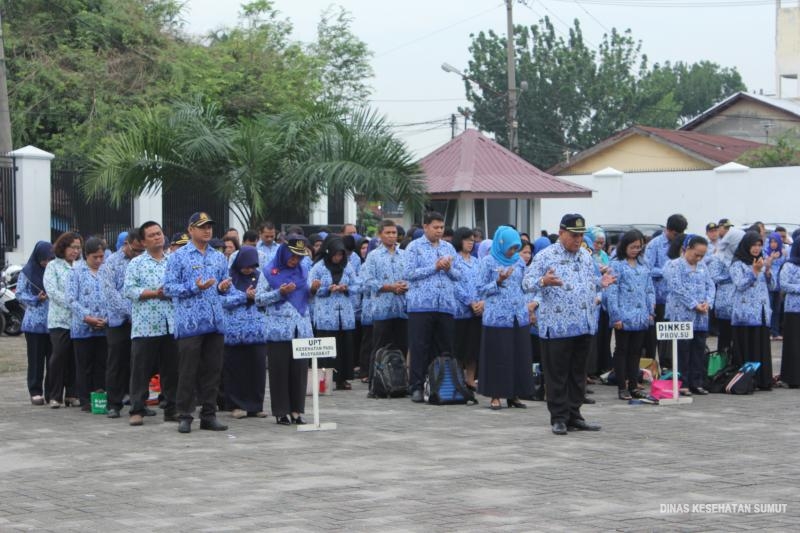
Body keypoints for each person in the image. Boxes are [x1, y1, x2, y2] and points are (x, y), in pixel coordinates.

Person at [524, 214, 615, 435]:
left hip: (583, 324)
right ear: (561, 232)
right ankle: (559, 417)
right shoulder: (546, 256)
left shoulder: (585, 255)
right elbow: (526, 283)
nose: (578, 239)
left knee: (578, 373)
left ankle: (575, 414)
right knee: (557, 374)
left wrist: (600, 283)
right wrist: (543, 281)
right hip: (557, 326)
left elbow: (587, 282)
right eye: (574, 235)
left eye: (581, 235)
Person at [163, 212, 231, 433]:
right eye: (202, 227)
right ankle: (185, 415)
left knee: (213, 371)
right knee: (187, 371)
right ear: (190, 230)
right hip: (190, 323)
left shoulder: (219, 257)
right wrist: (195, 287)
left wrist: (222, 287)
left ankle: (209, 415)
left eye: (209, 226)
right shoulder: (178, 257)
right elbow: (168, 288)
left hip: (215, 322)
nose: (207, 230)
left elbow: (223, 286)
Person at [123, 221, 178, 425]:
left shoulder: (173, 261)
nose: (157, 237)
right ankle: (137, 409)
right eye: (152, 235)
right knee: (141, 370)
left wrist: (171, 292)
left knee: (171, 370)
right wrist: (155, 293)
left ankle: (172, 408)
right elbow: (129, 290)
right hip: (145, 326)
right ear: (143, 242)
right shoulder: (136, 263)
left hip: (171, 323)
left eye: (159, 233)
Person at [255, 235, 313, 425]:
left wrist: (314, 291)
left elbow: (306, 297)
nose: (295, 260)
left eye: (299, 257)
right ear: (284, 252)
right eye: (292, 256)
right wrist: (280, 293)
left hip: (300, 327)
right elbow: (258, 299)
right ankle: (281, 411)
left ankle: (297, 411)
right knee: (279, 371)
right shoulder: (269, 271)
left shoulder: (304, 270)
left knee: (299, 372)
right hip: (278, 329)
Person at [403, 212, 460, 403]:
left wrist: (448, 268)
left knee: (445, 347)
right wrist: (434, 267)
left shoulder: (448, 247)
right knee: (420, 347)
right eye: (435, 227)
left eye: (441, 227)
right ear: (425, 227)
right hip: (421, 306)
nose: (439, 231)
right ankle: (416, 387)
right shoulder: (414, 247)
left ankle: (442, 386)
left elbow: (459, 275)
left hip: (445, 306)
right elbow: (409, 273)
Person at [477, 226, 534, 409]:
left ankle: (514, 394)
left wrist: (530, 305)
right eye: (510, 248)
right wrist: (498, 282)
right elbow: (479, 289)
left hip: (518, 315)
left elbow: (525, 286)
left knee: (518, 355)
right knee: (498, 357)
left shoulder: (519, 262)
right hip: (497, 317)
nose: (513, 251)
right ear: (501, 244)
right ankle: (495, 395)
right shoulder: (488, 261)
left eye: (516, 248)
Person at [99, 230, 144, 418]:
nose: (138, 253)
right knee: (116, 362)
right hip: (118, 320)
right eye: (136, 250)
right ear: (127, 243)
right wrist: (130, 311)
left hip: (141, 320)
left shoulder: (144, 261)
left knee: (139, 363)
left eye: (142, 250)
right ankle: (114, 404)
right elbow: (110, 293)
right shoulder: (110, 263)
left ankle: (138, 402)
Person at [606, 230, 655, 400]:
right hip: (623, 315)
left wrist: (650, 311)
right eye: (632, 247)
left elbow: (649, 288)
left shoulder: (643, 264)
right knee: (622, 350)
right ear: (624, 246)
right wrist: (615, 316)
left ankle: (634, 385)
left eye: (639, 247)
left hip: (641, 315)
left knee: (636, 351)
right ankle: (622, 387)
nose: (636, 250)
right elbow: (611, 292)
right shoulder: (616, 264)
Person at [221, 246, 268, 419]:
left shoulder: (261, 277)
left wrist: (258, 297)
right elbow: (221, 301)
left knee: (257, 368)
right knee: (236, 369)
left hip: (257, 332)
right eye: (245, 266)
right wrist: (243, 297)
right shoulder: (228, 279)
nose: (248, 269)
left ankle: (256, 405)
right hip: (234, 332)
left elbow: (269, 298)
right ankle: (236, 405)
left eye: (252, 266)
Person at [665, 235, 715, 395]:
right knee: (682, 350)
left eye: (702, 255)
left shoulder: (703, 266)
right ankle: (683, 383)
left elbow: (710, 285)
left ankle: (696, 382)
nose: (698, 258)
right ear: (687, 249)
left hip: (701, 316)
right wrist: (694, 304)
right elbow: (676, 287)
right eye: (696, 254)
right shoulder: (674, 265)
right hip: (681, 314)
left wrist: (708, 302)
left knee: (698, 349)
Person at [309, 236, 360, 390]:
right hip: (326, 314)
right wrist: (326, 289)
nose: (338, 258)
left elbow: (358, 285)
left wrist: (346, 288)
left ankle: (343, 378)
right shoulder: (318, 267)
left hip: (344, 314)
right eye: (336, 254)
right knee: (327, 347)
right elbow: (310, 287)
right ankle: (325, 379)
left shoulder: (347, 266)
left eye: (341, 255)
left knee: (344, 347)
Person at [361, 220, 408, 379]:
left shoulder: (405, 255)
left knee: (401, 347)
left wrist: (405, 285)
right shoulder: (373, 256)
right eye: (388, 233)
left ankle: (399, 382)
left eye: (394, 233)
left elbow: (411, 277)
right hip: (382, 309)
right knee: (379, 347)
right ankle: (375, 382)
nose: (391, 236)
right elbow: (368, 281)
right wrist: (390, 287)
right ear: (380, 235)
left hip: (402, 309)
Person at [730, 231, 775, 390]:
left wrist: (767, 270)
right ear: (746, 245)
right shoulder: (737, 264)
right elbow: (739, 284)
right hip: (745, 313)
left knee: (761, 346)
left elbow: (772, 286)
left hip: (762, 311)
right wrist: (754, 272)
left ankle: (763, 380)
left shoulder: (761, 261)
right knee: (748, 346)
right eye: (753, 245)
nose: (756, 248)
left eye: (759, 245)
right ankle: (747, 381)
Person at [68, 237, 109, 412]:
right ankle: (85, 398)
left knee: (102, 363)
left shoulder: (107, 271)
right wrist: (87, 317)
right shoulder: (76, 272)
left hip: (104, 327)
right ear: (86, 255)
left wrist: (106, 318)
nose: (99, 260)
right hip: (82, 328)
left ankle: (100, 396)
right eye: (95, 257)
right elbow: (71, 299)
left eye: (101, 256)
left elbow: (113, 295)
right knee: (84, 365)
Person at [44, 232, 83, 408]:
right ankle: (55, 395)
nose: (75, 251)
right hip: (59, 320)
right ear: (63, 247)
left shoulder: (80, 266)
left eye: (78, 248)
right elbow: (52, 291)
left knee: (74, 359)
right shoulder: (53, 266)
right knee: (58, 356)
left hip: (77, 320)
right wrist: (72, 302)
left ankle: (72, 394)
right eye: (72, 247)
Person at [644, 214, 688, 367]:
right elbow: (647, 269)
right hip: (658, 298)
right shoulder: (654, 245)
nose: (678, 237)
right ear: (668, 229)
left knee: (670, 337)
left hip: (675, 299)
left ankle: (668, 367)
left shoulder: (683, 244)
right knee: (654, 336)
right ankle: (652, 367)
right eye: (675, 234)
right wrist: (666, 271)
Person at [18, 241, 54, 405]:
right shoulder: (27, 272)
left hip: (53, 322)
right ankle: (35, 391)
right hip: (34, 325)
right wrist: (35, 298)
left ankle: (52, 392)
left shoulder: (54, 271)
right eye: (43, 259)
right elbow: (20, 294)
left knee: (53, 360)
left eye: (49, 259)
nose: (46, 262)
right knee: (36, 360)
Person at [452, 227, 482, 389]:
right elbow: (455, 285)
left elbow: (482, 284)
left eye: (472, 240)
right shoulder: (453, 260)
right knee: (458, 347)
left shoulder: (477, 262)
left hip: (476, 312)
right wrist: (469, 302)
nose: (470, 243)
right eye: (467, 240)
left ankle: (470, 379)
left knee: (473, 348)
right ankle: (457, 379)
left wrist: (480, 303)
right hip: (459, 311)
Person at [708, 228, 745, 354]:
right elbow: (713, 276)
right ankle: (723, 362)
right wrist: (732, 277)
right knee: (725, 337)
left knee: (739, 339)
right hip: (725, 302)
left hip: (740, 303)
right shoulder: (718, 257)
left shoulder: (742, 257)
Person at [779, 240, 800, 388]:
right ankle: (792, 378)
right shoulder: (789, 265)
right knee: (793, 345)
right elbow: (784, 284)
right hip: (793, 310)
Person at [765, 232, 786, 340]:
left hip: (779, 285)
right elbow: (765, 267)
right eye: (771, 242)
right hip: (768, 285)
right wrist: (771, 258)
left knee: (777, 310)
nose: (773, 244)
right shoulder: (766, 252)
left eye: (775, 242)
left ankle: (775, 332)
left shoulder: (783, 254)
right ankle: (767, 332)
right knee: (768, 309)